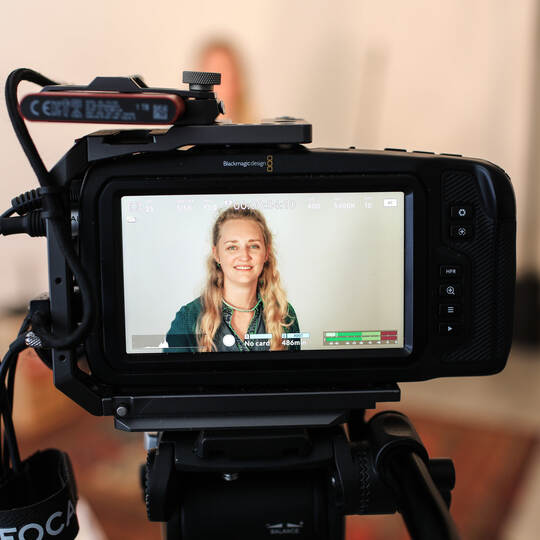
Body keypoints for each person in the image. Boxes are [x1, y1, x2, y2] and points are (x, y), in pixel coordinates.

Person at [166, 207, 299, 352]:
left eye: (254, 246)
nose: (244, 256)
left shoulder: (285, 315)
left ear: (266, 253)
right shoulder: (188, 319)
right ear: (217, 254)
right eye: (232, 247)